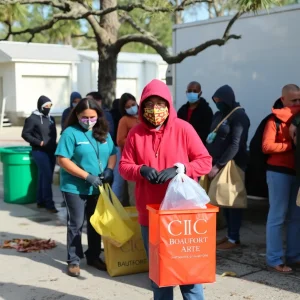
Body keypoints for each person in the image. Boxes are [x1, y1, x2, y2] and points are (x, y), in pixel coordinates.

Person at [119, 79, 212, 300]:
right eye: (149, 104)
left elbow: (205, 161)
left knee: (189, 276)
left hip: (182, 215)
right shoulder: (135, 133)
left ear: (168, 105)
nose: (154, 109)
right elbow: (124, 166)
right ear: (142, 107)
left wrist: (181, 169)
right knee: (159, 277)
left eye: (160, 103)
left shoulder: (183, 129)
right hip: (150, 215)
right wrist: (140, 170)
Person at [55, 98, 117, 277]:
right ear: (77, 115)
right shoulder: (70, 133)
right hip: (75, 186)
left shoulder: (103, 132)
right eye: (85, 117)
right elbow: (62, 160)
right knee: (76, 222)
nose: (89, 121)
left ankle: (93, 255)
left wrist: (110, 170)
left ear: (98, 116)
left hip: (98, 187)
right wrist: (86, 176)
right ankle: (73, 260)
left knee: (95, 222)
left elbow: (112, 153)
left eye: (92, 117)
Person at [206, 85, 250, 250]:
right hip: (217, 162)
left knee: (233, 201)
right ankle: (229, 235)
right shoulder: (219, 114)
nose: (217, 104)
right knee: (222, 199)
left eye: (220, 101)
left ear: (228, 99)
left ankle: (234, 238)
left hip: (232, 163)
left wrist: (218, 165)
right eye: (215, 101)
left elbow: (235, 145)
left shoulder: (239, 116)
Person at [262, 84, 300, 273]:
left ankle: (294, 257)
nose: (297, 103)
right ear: (283, 99)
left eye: (299, 100)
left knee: (295, 217)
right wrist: (289, 146)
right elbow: (266, 147)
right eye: (293, 100)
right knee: (277, 216)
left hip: (295, 173)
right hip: (278, 172)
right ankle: (274, 260)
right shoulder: (273, 120)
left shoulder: (297, 119)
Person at [21, 96, 58, 213]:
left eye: (50, 106)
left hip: (51, 151)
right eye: (46, 106)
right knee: (47, 177)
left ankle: (40, 201)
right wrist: (39, 142)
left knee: (43, 177)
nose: (48, 108)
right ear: (40, 106)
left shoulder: (50, 118)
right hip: (39, 151)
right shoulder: (32, 119)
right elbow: (25, 134)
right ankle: (49, 204)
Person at [117, 93, 140, 206]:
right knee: (134, 193)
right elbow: (120, 140)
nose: (131, 108)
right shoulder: (124, 120)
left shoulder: (144, 116)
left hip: (146, 161)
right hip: (132, 162)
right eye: (127, 107)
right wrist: (137, 140)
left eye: (133, 104)